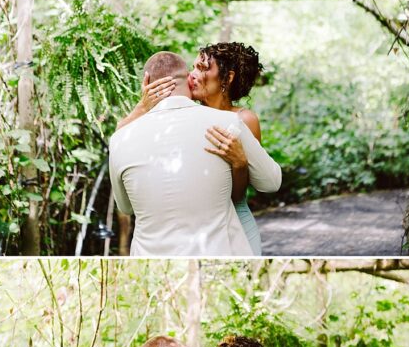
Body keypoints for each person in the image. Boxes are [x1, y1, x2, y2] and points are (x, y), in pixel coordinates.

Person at [110, 51, 281, 256]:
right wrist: (142, 107)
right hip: (218, 246)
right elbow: (268, 183)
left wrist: (240, 162)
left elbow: (125, 207)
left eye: (202, 68)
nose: (193, 75)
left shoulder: (237, 120)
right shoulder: (225, 123)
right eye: (193, 68)